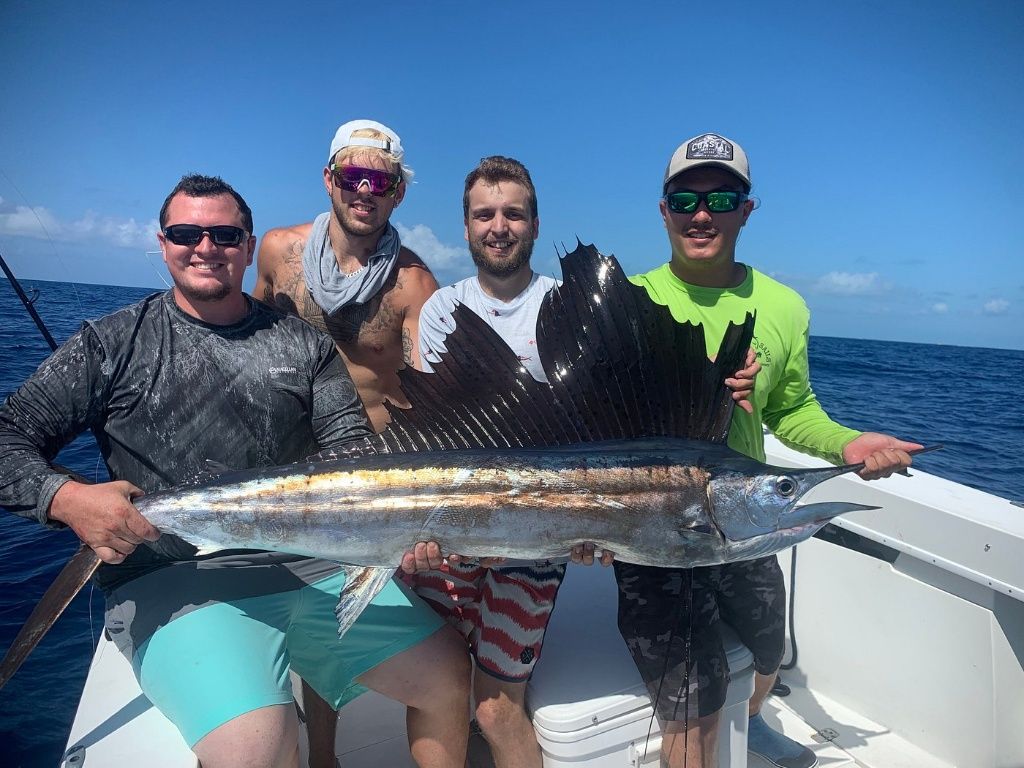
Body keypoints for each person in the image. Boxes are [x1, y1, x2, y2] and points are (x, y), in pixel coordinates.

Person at [0, 174, 470, 768]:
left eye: (224, 235)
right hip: (171, 573)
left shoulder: (305, 346)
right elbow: (8, 437)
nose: (206, 247)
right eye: (186, 234)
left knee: (448, 676)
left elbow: (351, 457)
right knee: (258, 745)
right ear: (163, 244)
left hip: (310, 563)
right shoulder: (110, 343)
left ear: (249, 247)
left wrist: (404, 529)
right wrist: (68, 499)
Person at [410, 156, 760, 768]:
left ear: (536, 224)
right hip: (457, 526)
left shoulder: (571, 304)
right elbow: (443, 435)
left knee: (493, 709)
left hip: (542, 542)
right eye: (484, 215)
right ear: (465, 227)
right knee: (436, 688)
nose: (499, 227)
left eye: (514, 214)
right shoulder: (444, 307)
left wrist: (724, 384)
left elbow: (631, 409)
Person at [616, 133, 924, 768]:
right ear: (664, 210)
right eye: (686, 200)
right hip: (652, 526)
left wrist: (849, 441)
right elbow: (602, 423)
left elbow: (793, 410)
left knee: (767, 646)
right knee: (692, 703)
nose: (702, 214)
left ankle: (754, 718)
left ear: (747, 210)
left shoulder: (785, 306)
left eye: (722, 199)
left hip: (743, 517)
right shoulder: (628, 301)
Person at [255, 119, 438, 432]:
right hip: (288, 446)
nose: (364, 191)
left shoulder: (415, 285)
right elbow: (248, 344)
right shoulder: (277, 252)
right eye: (351, 177)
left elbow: (430, 394)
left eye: (380, 182)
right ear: (329, 180)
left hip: (374, 452)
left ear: (398, 193)